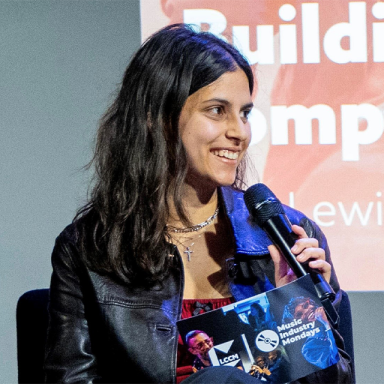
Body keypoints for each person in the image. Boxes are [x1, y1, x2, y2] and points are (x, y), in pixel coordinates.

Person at [43, 23, 352, 383]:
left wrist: (300, 312)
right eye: (217, 110)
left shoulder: (287, 236)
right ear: (157, 119)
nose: (239, 132)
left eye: (245, 113)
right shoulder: (89, 250)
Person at [282, 297, 340, 370]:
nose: (306, 311)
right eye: (299, 315)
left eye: (305, 305)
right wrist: (327, 325)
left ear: (311, 302)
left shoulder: (331, 306)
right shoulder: (309, 349)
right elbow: (335, 363)